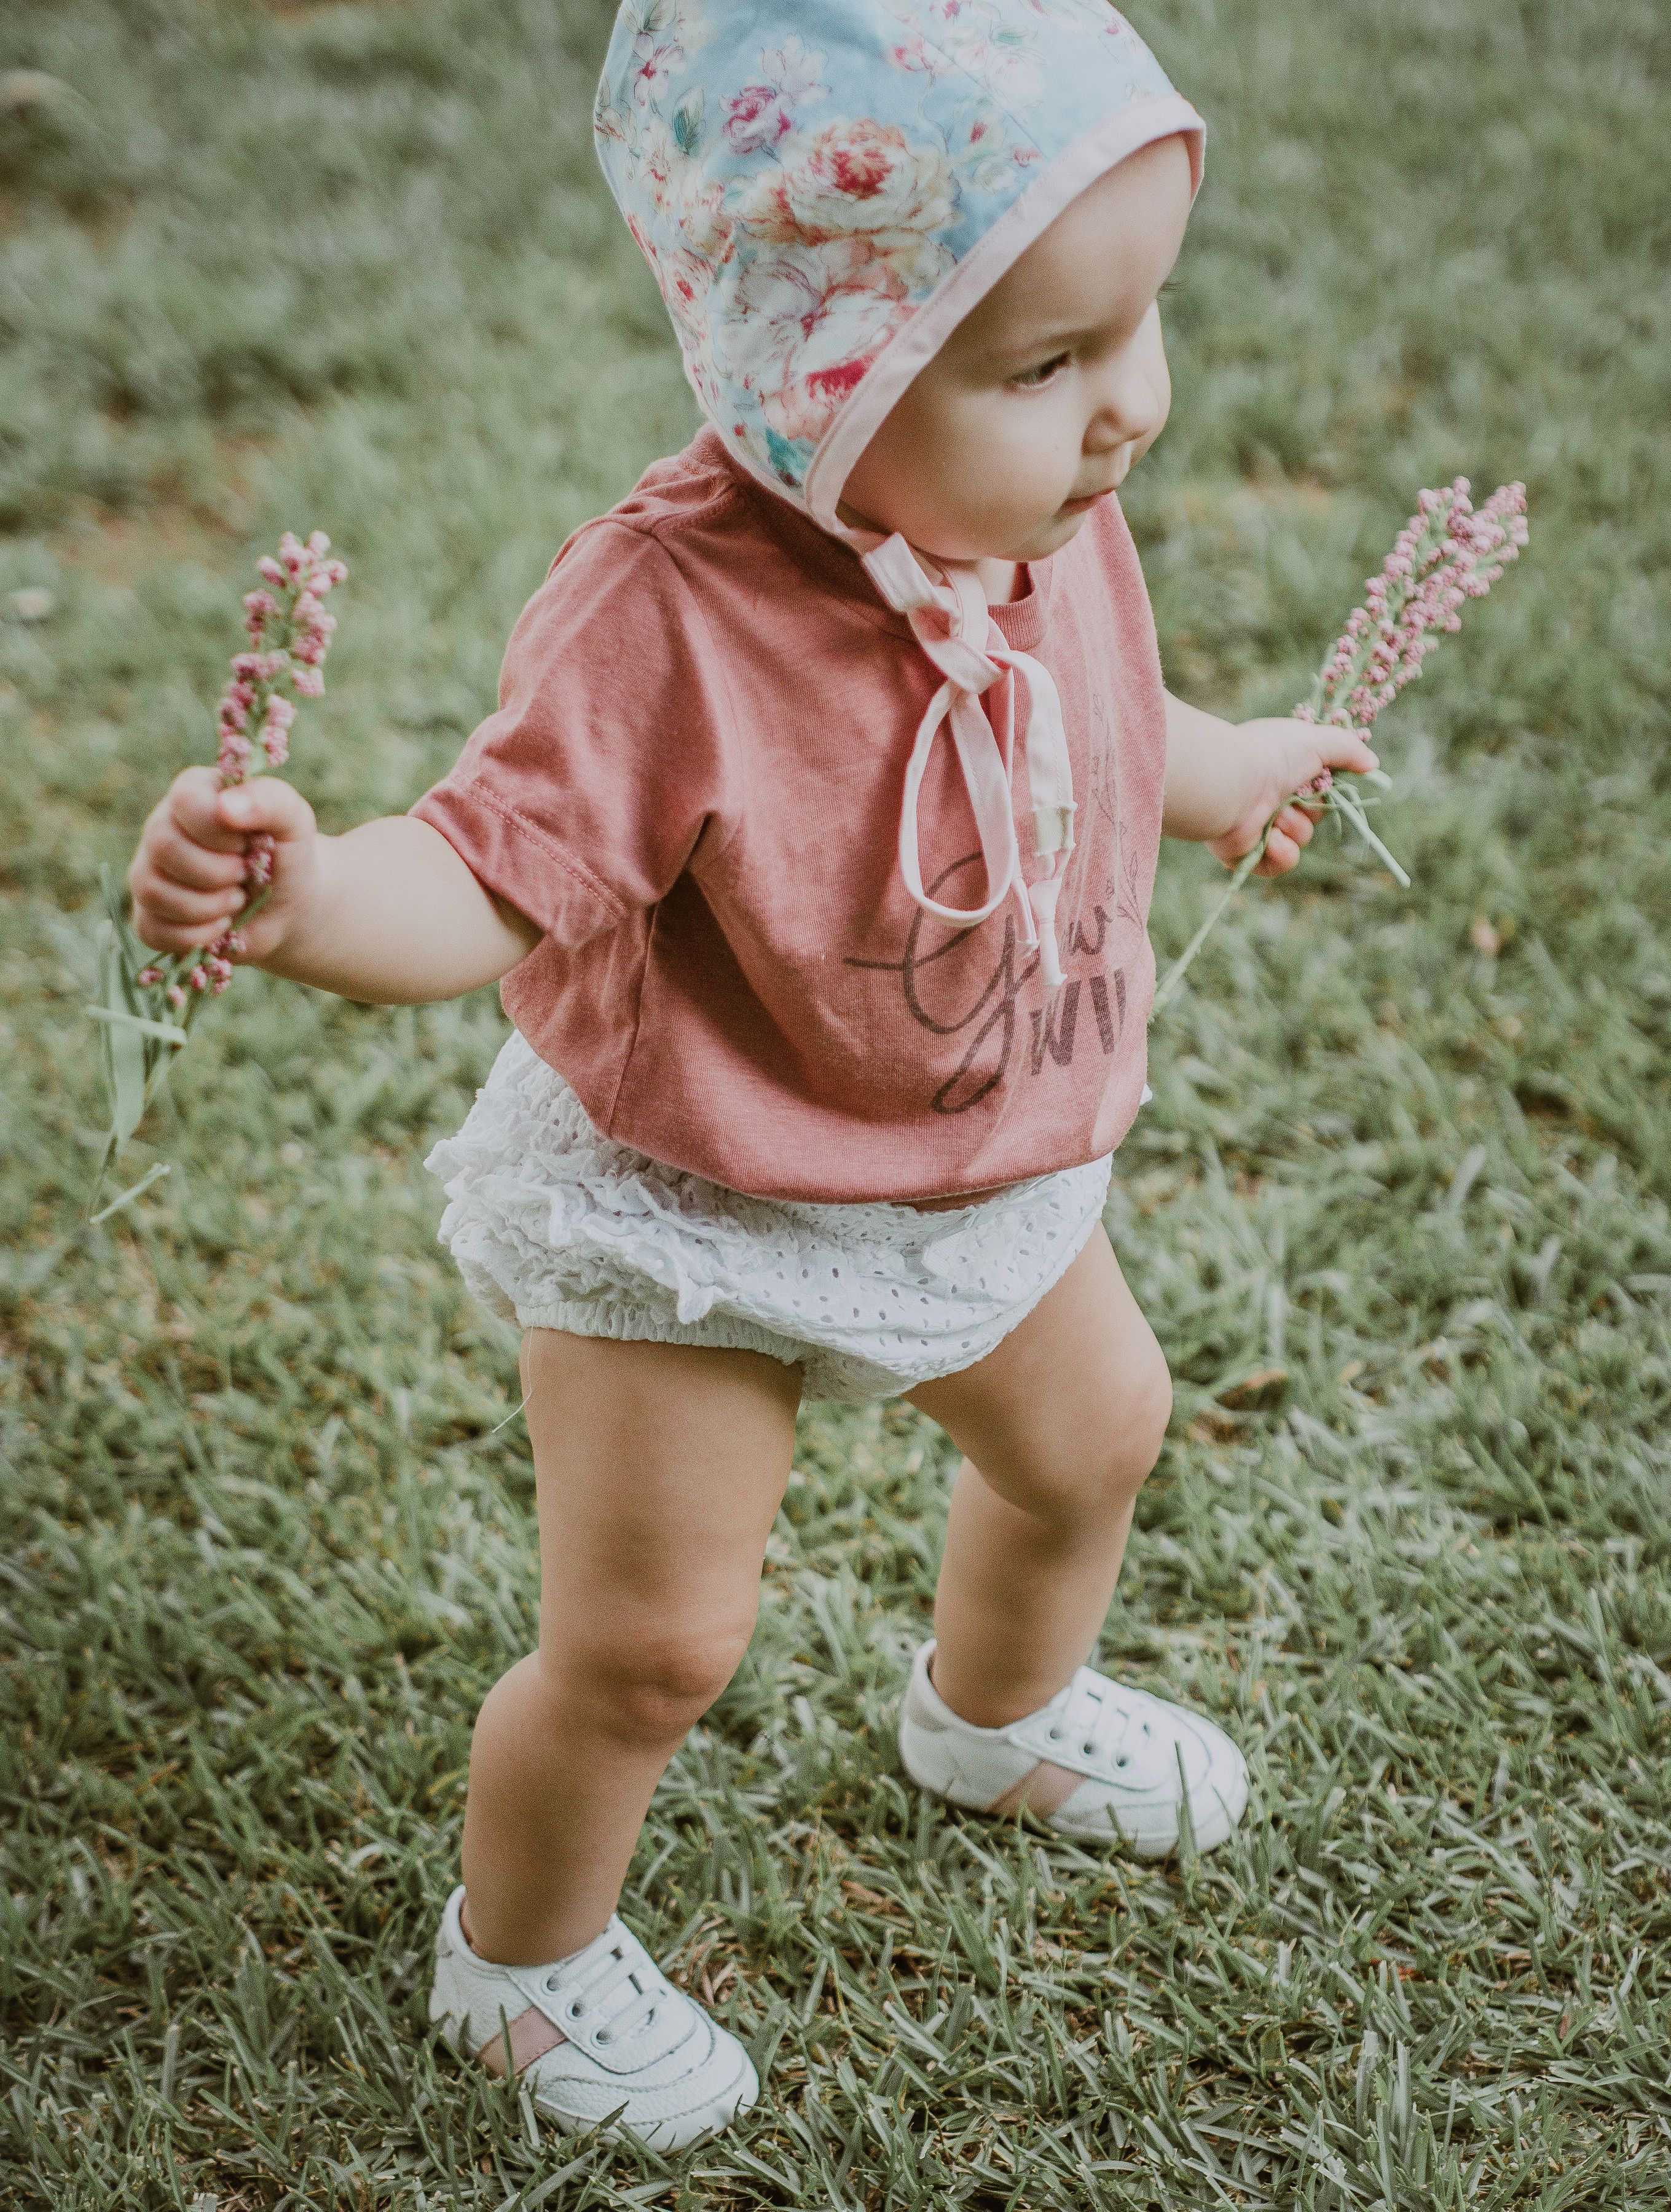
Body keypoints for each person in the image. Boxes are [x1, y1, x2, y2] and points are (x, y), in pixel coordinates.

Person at [126, 0, 1375, 2154]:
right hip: (692, 1194)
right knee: (650, 1645)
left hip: (967, 1154)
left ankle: (997, 1711)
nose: (1130, 417)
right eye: (1049, 363)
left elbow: (1098, 713)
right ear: (827, 381)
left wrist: (1234, 763)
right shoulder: (668, 615)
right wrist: (312, 896)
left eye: (1144, 325)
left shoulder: (1041, 523)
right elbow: (484, 872)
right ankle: (517, 1957)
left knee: (1094, 1439)